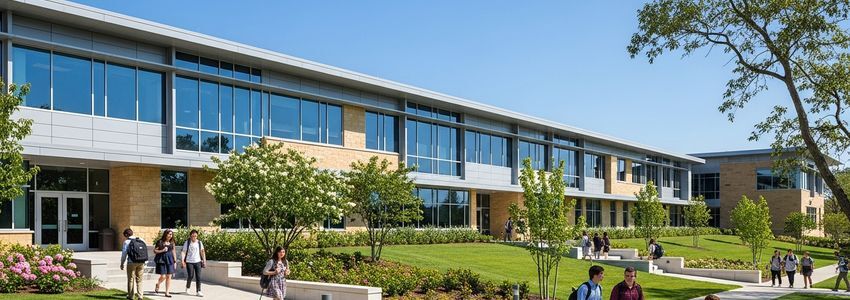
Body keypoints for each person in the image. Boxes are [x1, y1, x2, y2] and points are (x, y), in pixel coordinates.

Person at [120, 228, 145, 300]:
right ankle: (140, 296)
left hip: (131, 262)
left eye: (125, 236)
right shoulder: (141, 240)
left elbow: (124, 254)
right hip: (141, 262)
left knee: (131, 279)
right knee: (139, 280)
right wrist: (145, 262)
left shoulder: (127, 242)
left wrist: (122, 263)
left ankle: (131, 296)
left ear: (126, 235)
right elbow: (144, 251)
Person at [181, 229, 207, 297]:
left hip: (198, 261)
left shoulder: (199, 242)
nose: (194, 237)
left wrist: (204, 260)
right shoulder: (187, 242)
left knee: (198, 277)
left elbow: (202, 252)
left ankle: (198, 291)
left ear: (197, 236)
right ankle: (187, 287)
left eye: (195, 236)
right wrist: (182, 260)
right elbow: (183, 252)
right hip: (189, 262)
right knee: (191, 276)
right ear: (190, 236)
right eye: (193, 236)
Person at [154, 229, 178, 297]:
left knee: (169, 276)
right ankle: (158, 284)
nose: (170, 236)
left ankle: (167, 292)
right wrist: (162, 250)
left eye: (171, 234)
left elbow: (174, 252)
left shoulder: (172, 243)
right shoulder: (160, 242)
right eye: (169, 234)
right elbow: (155, 251)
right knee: (163, 276)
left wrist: (175, 261)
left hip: (170, 260)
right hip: (162, 260)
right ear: (165, 234)